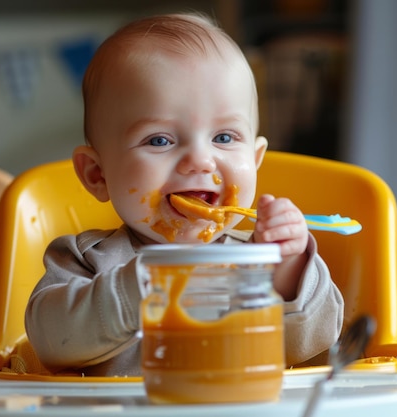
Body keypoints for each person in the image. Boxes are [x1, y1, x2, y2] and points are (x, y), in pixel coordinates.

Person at [25, 13, 343, 376]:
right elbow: (50, 341)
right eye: (159, 140)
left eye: (224, 137)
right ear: (98, 175)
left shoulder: (257, 261)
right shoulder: (86, 262)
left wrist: (287, 267)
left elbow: (313, 344)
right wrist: (140, 288)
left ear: (255, 162)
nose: (199, 161)